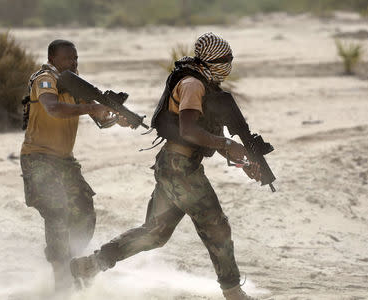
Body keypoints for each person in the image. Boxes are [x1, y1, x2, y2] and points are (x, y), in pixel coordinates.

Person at [70, 33, 261, 300]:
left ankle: (91, 265)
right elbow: (189, 129)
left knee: (155, 233)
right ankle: (232, 292)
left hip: (176, 165)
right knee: (216, 226)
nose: (229, 64)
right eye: (225, 59)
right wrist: (229, 145)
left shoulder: (201, 82)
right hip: (179, 167)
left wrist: (242, 160)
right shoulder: (193, 84)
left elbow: (203, 135)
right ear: (212, 61)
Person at [20, 39, 127, 291]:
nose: (74, 62)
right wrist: (92, 106)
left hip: (64, 161)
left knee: (84, 212)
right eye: (69, 58)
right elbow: (53, 108)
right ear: (53, 58)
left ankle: (73, 263)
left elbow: (98, 117)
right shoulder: (44, 79)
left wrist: (116, 118)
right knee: (56, 212)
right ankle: (61, 281)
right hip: (38, 158)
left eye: (76, 58)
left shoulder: (74, 82)